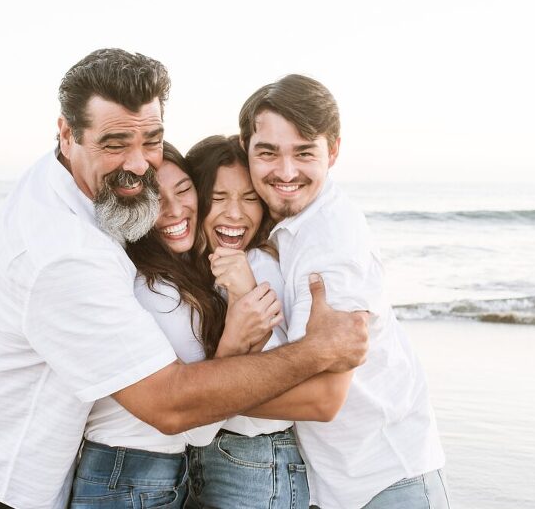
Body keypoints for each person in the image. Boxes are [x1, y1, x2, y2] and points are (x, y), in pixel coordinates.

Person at [0, 49, 369, 509]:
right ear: (66, 133)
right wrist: (316, 350)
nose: (138, 164)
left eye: (151, 140)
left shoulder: (74, 186)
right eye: (115, 144)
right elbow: (170, 406)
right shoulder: (61, 252)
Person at [237, 74, 450, 509]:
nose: (286, 171)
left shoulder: (331, 244)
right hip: (343, 485)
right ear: (247, 151)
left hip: (387, 482)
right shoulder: (291, 229)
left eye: (304, 152)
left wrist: (195, 402)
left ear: (333, 151)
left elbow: (323, 399)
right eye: (268, 153)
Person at [71, 142, 278, 508]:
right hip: (130, 472)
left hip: (146, 471)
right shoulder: (153, 291)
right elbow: (196, 428)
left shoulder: (182, 277)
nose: (174, 209)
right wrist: (233, 337)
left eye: (183, 190)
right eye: (155, 198)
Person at [183, 135, 354, 509]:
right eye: (218, 197)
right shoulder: (195, 270)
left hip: (256, 459)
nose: (235, 214)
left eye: (248, 199)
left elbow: (285, 369)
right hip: (202, 456)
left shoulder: (261, 266)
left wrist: (246, 293)